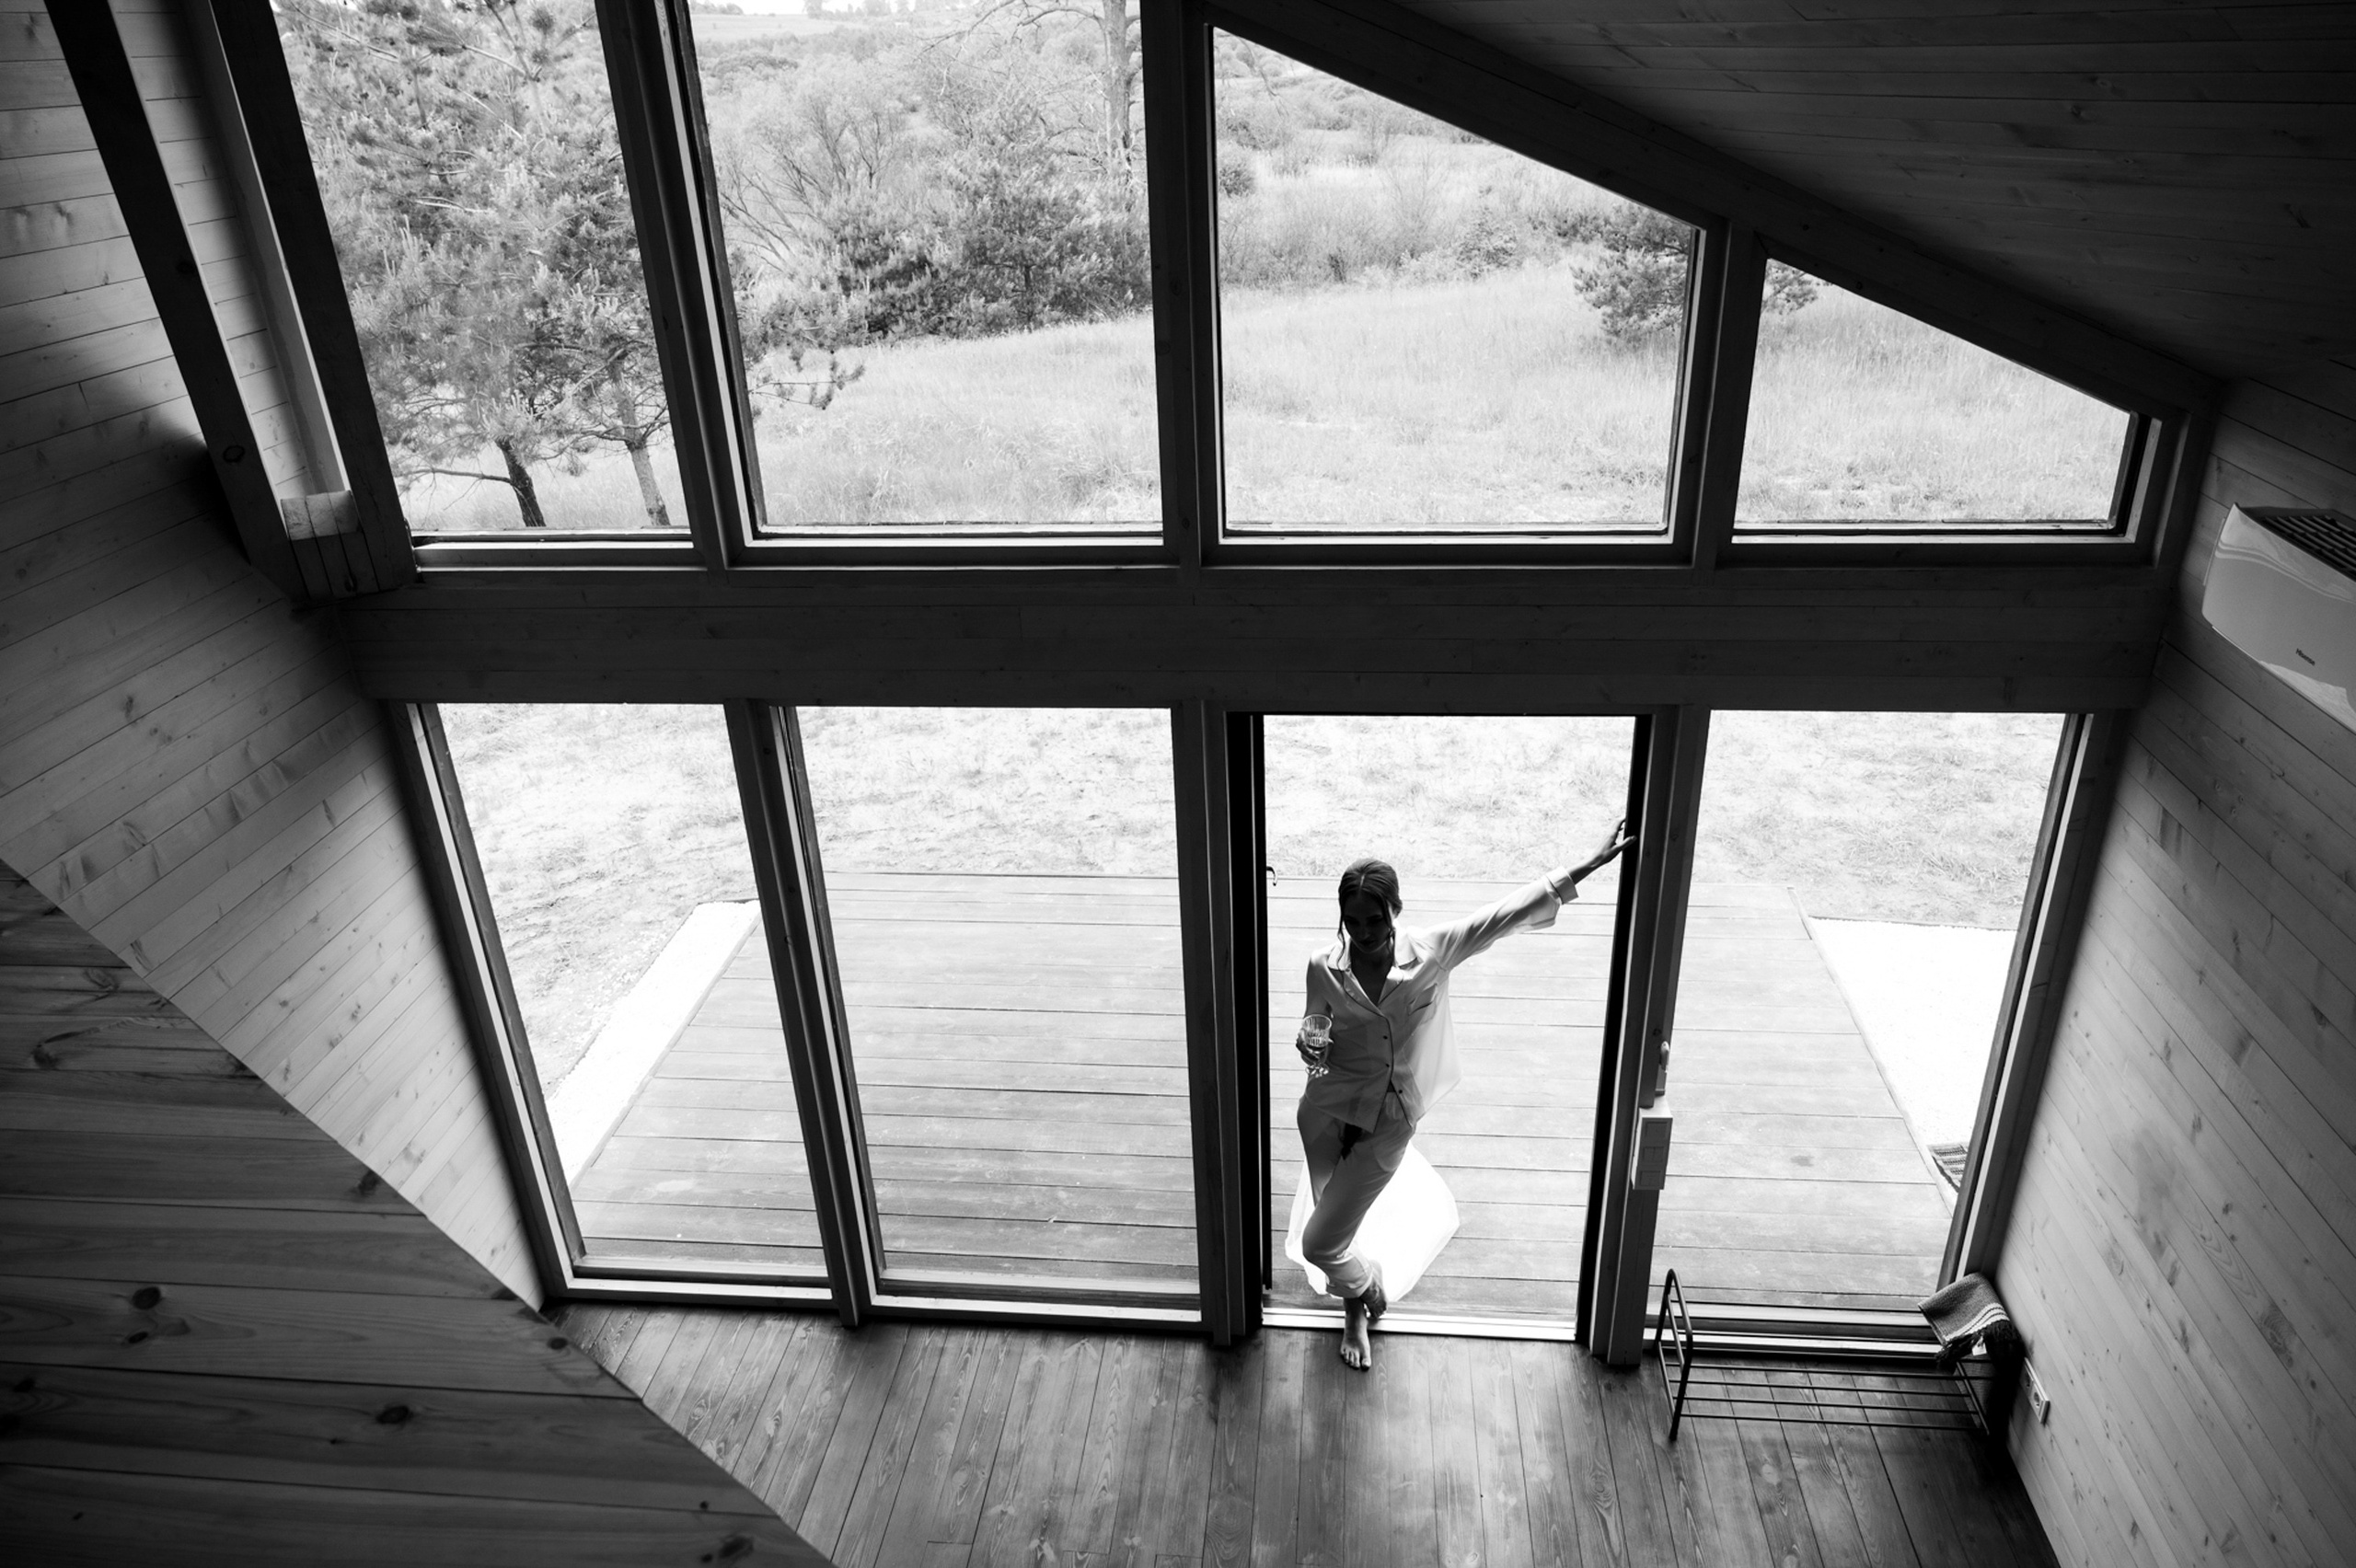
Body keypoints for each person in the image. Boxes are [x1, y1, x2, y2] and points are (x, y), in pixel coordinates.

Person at [1294, 821, 1634, 1369]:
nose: (1364, 932)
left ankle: (1363, 1292)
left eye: (1375, 920)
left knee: (1319, 1243)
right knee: (1338, 1221)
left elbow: (1502, 915)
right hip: (1325, 1112)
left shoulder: (1432, 952)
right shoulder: (1322, 965)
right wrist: (1309, 1043)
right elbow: (1315, 1024)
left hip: (1389, 1118)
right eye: (1352, 921)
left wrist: (1586, 867)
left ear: (1396, 910)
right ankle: (1353, 1304)